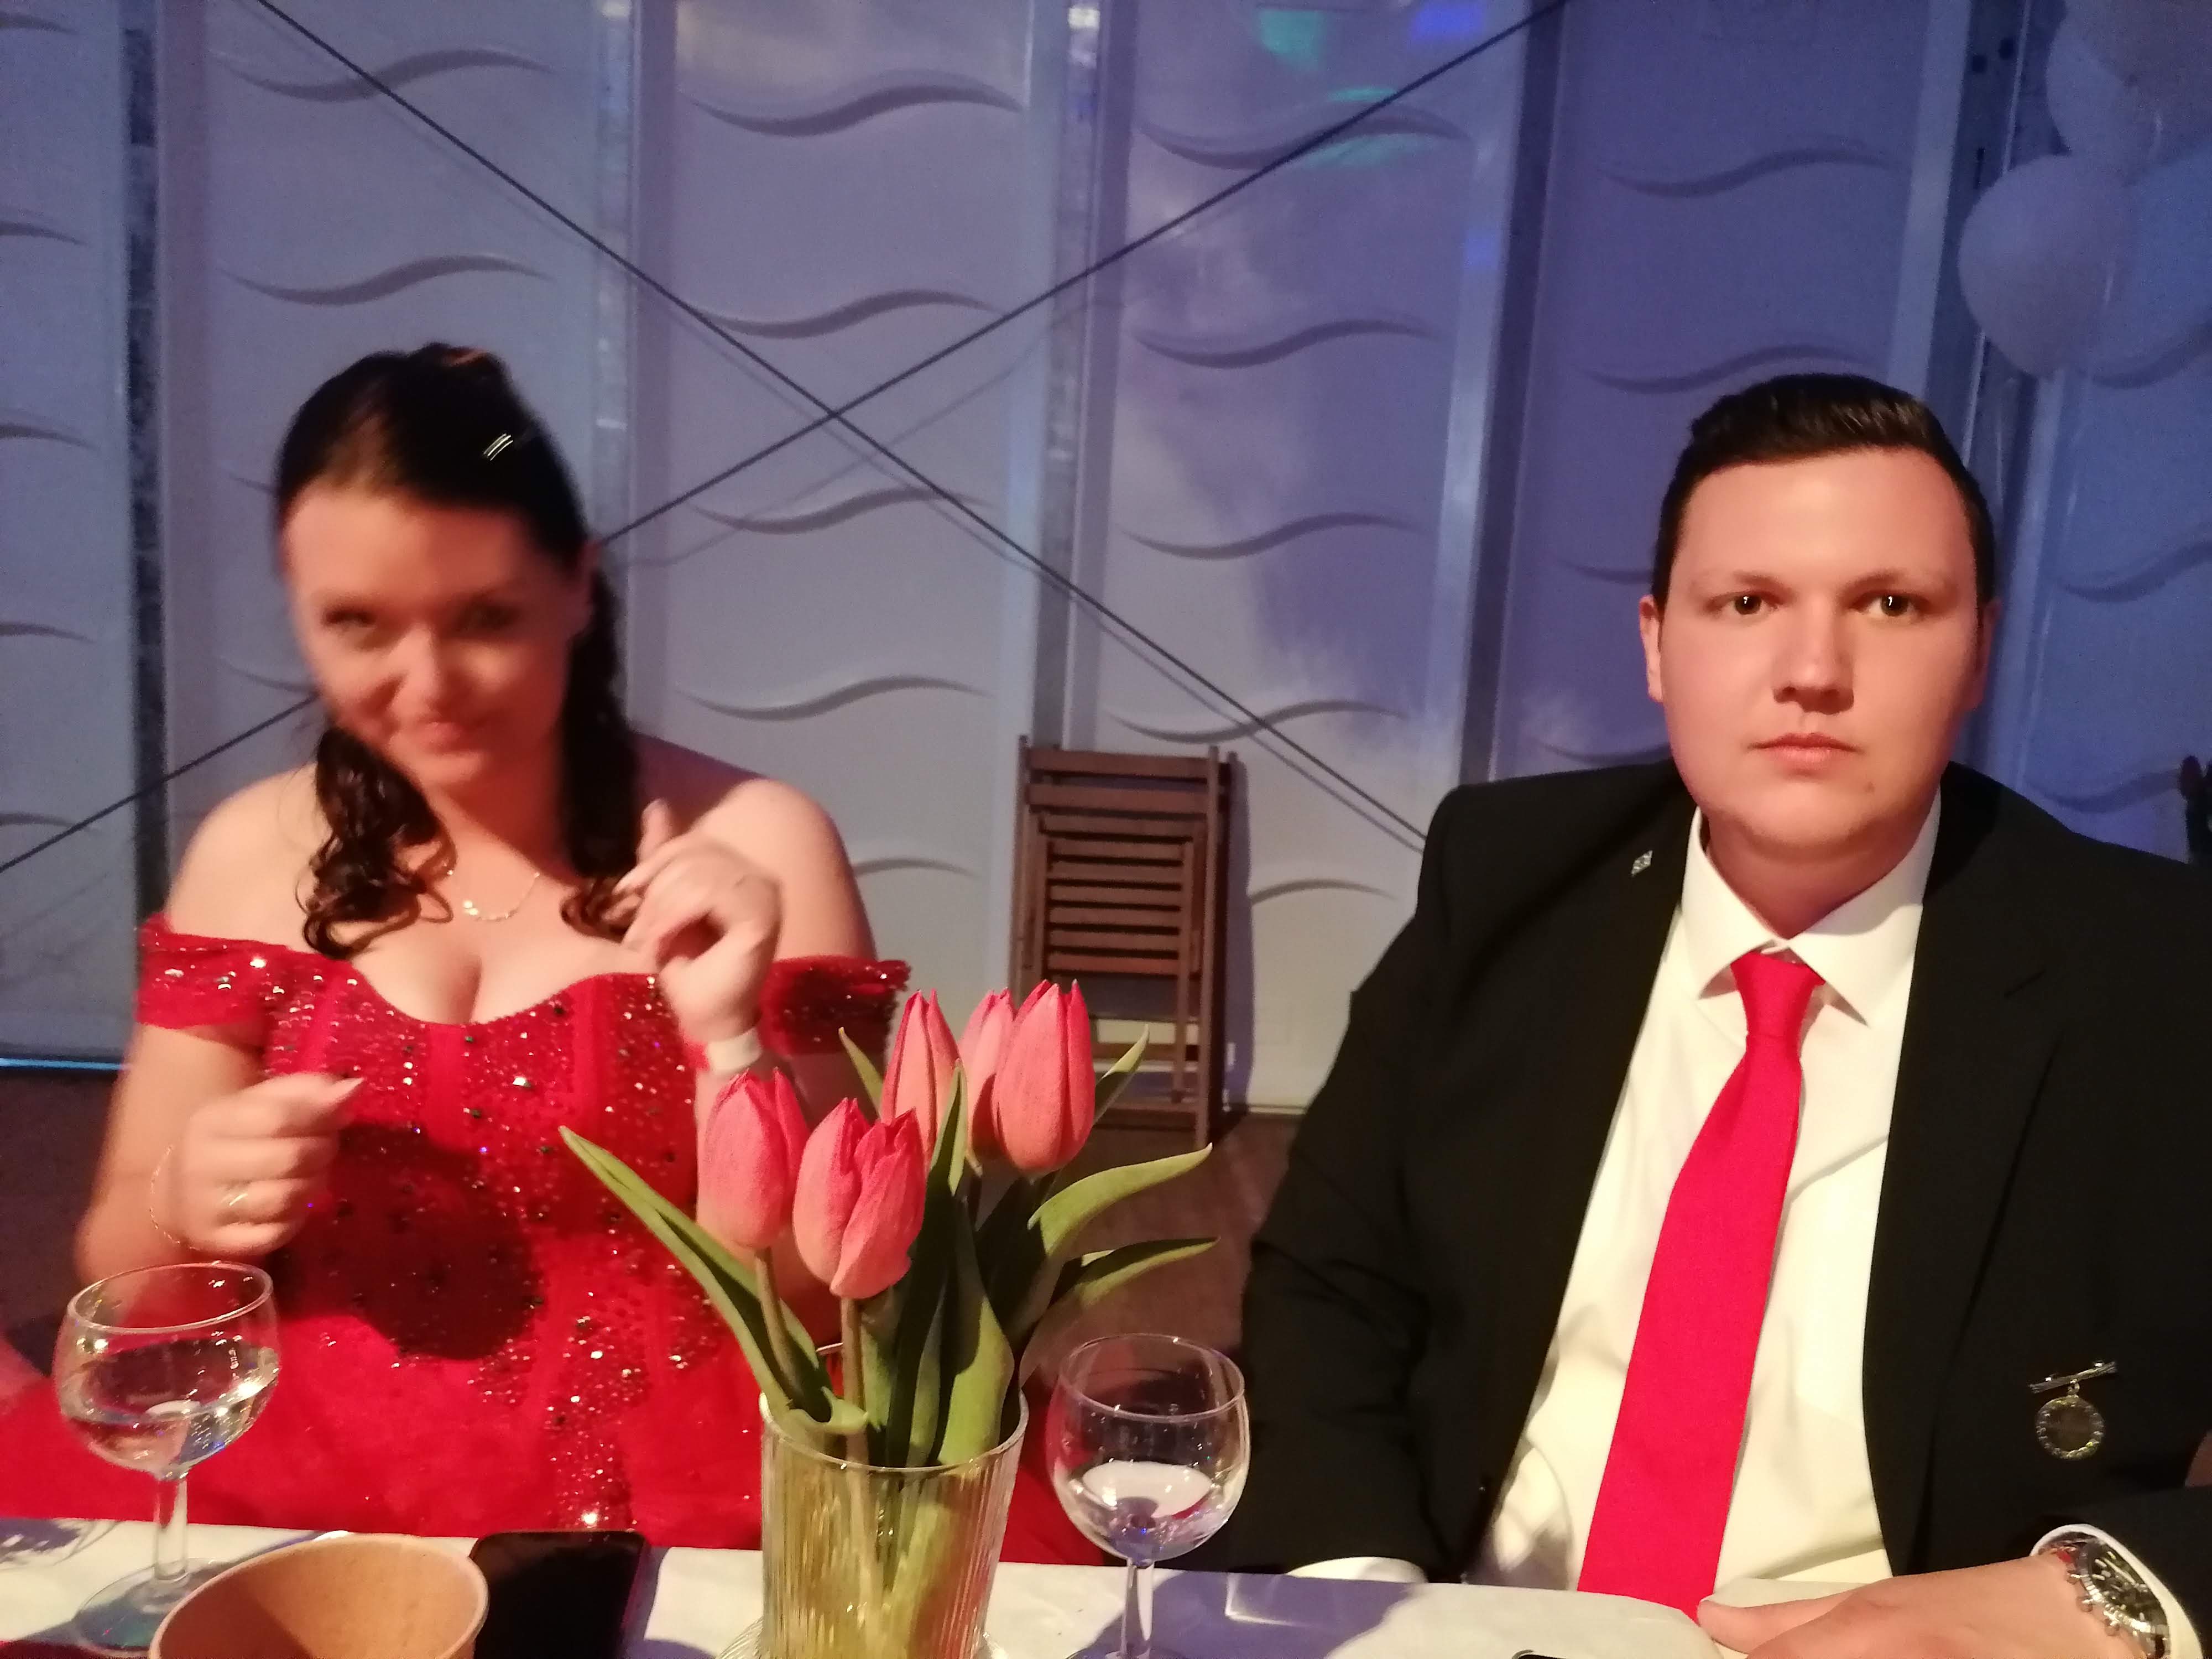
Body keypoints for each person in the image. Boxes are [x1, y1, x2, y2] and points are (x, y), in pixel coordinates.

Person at [0, 345, 1088, 1562]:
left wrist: (730, 1042)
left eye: (486, 619)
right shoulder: (248, 854)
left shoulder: (757, 841)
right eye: (357, 625)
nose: (427, 685)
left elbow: (831, 1296)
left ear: (579, 587)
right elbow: (125, 1287)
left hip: (691, 1481)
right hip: (296, 1474)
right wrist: (181, 1202)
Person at [1206, 375, 2212, 1657]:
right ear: (1654, 643)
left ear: (1976, 650)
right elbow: (1329, 1287)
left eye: (1890, 605)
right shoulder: (1507, 883)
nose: (1811, 673)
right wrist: (1370, 1605)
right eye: (1746, 604)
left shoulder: (2156, 975)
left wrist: (2100, 1600)